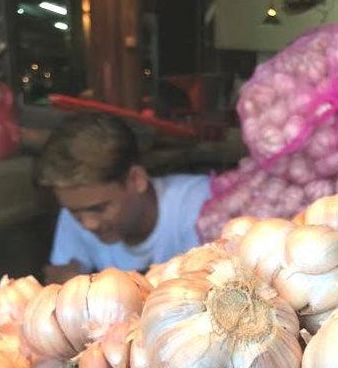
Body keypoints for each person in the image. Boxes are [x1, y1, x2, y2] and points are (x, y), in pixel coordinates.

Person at [38, 113, 212, 284]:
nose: (89, 224)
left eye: (100, 208)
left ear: (136, 180)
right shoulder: (76, 211)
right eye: (75, 213)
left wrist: (83, 287)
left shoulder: (201, 205)